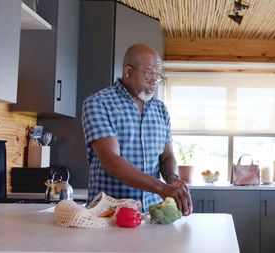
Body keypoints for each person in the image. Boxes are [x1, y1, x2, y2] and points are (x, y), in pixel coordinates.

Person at [81, 43, 192, 215]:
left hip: (151, 216)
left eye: (157, 75)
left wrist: (172, 179)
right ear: (128, 72)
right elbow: (111, 161)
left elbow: (167, 156)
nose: (154, 80)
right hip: (108, 217)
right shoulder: (98, 103)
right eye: (148, 73)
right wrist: (162, 188)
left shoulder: (160, 109)